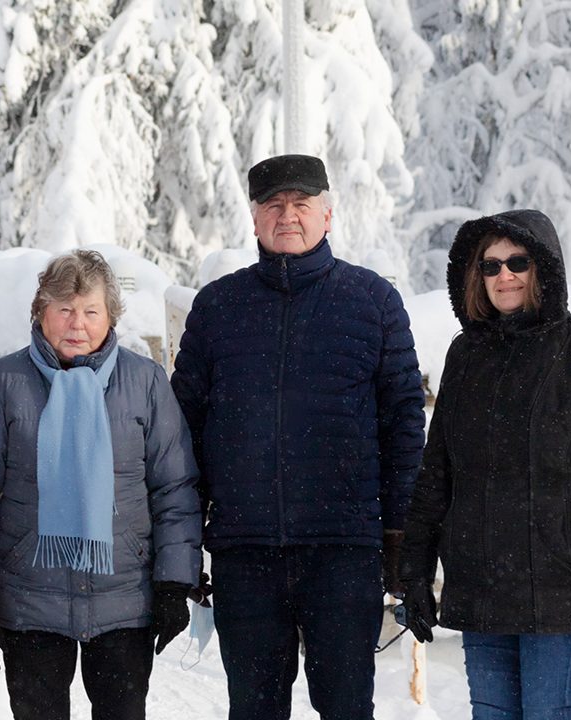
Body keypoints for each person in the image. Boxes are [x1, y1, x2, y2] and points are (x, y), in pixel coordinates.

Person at [170, 154, 426, 720]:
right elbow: (181, 433)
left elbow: (404, 423)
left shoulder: (372, 301)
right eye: (273, 205)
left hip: (343, 551)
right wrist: (184, 543)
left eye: (302, 204)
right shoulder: (217, 307)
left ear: (328, 216)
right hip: (245, 551)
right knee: (254, 710)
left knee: (346, 707)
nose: (288, 215)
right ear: (255, 217)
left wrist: (402, 542)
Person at [398, 209, 571, 718]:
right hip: (480, 583)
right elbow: (437, 475)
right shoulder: (466, 355)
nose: (504, 275)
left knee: (549, 712)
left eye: (518, 261)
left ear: (545, 269)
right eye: (490, 266)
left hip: (560, 585)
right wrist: (415, 574)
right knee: (491, 714)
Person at [0, 249, 203, 720]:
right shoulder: (3, 382)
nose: (77, 324)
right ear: (41, 312)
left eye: (91, 311)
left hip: (125, 602)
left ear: (111, 318)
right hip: (29, 602)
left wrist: (173, 582)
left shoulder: (144, 382)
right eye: (64, 309)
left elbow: (175, 490)